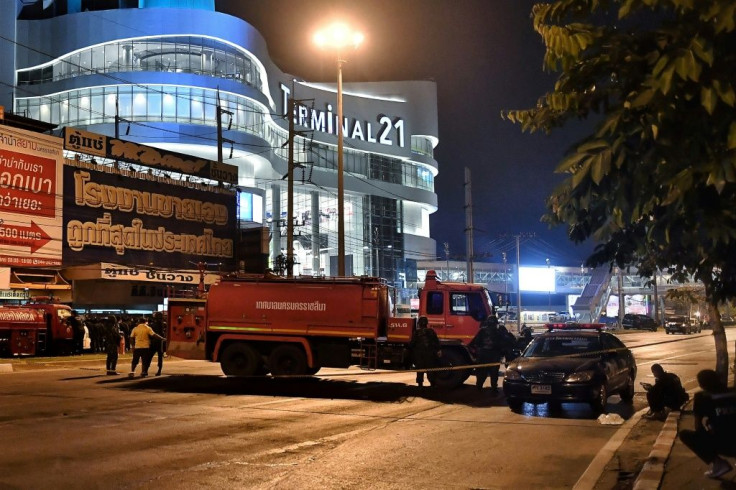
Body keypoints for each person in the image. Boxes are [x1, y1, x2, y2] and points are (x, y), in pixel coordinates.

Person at [679, 369, 736, 479]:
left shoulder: (702, 397)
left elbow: (698, 426)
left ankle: (718, 463)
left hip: (725, 445)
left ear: (701, 384)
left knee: (685, 434)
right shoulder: (734, 392)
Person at [469, 315, 505, 394]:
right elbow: (503, 345)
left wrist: (477, 353)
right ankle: (493, 390)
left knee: (482, 373)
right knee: (493, 374)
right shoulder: (498, 332)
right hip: (493, 356)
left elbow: (474, 343)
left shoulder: (482, 331)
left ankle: (479, 388)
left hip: (483, 356)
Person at [408, 316, 441, 387]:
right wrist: (438, 350)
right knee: (430, 370)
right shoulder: (431, 331)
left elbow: (412, 344)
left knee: (420, 370)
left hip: (419, 355)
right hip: (430, 354)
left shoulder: (416, 332)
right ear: (427, 323)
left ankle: (420, 386)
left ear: (419, 323)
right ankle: (432, 385)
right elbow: (436, 342)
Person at [148, 312, 167, 376]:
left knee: (149, 356)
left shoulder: (152, 325)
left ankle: (146, 370)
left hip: (153, 342)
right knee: (160, 357)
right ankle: (159, 371)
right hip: (160, 342)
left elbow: (150, 334)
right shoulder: (164, 324)